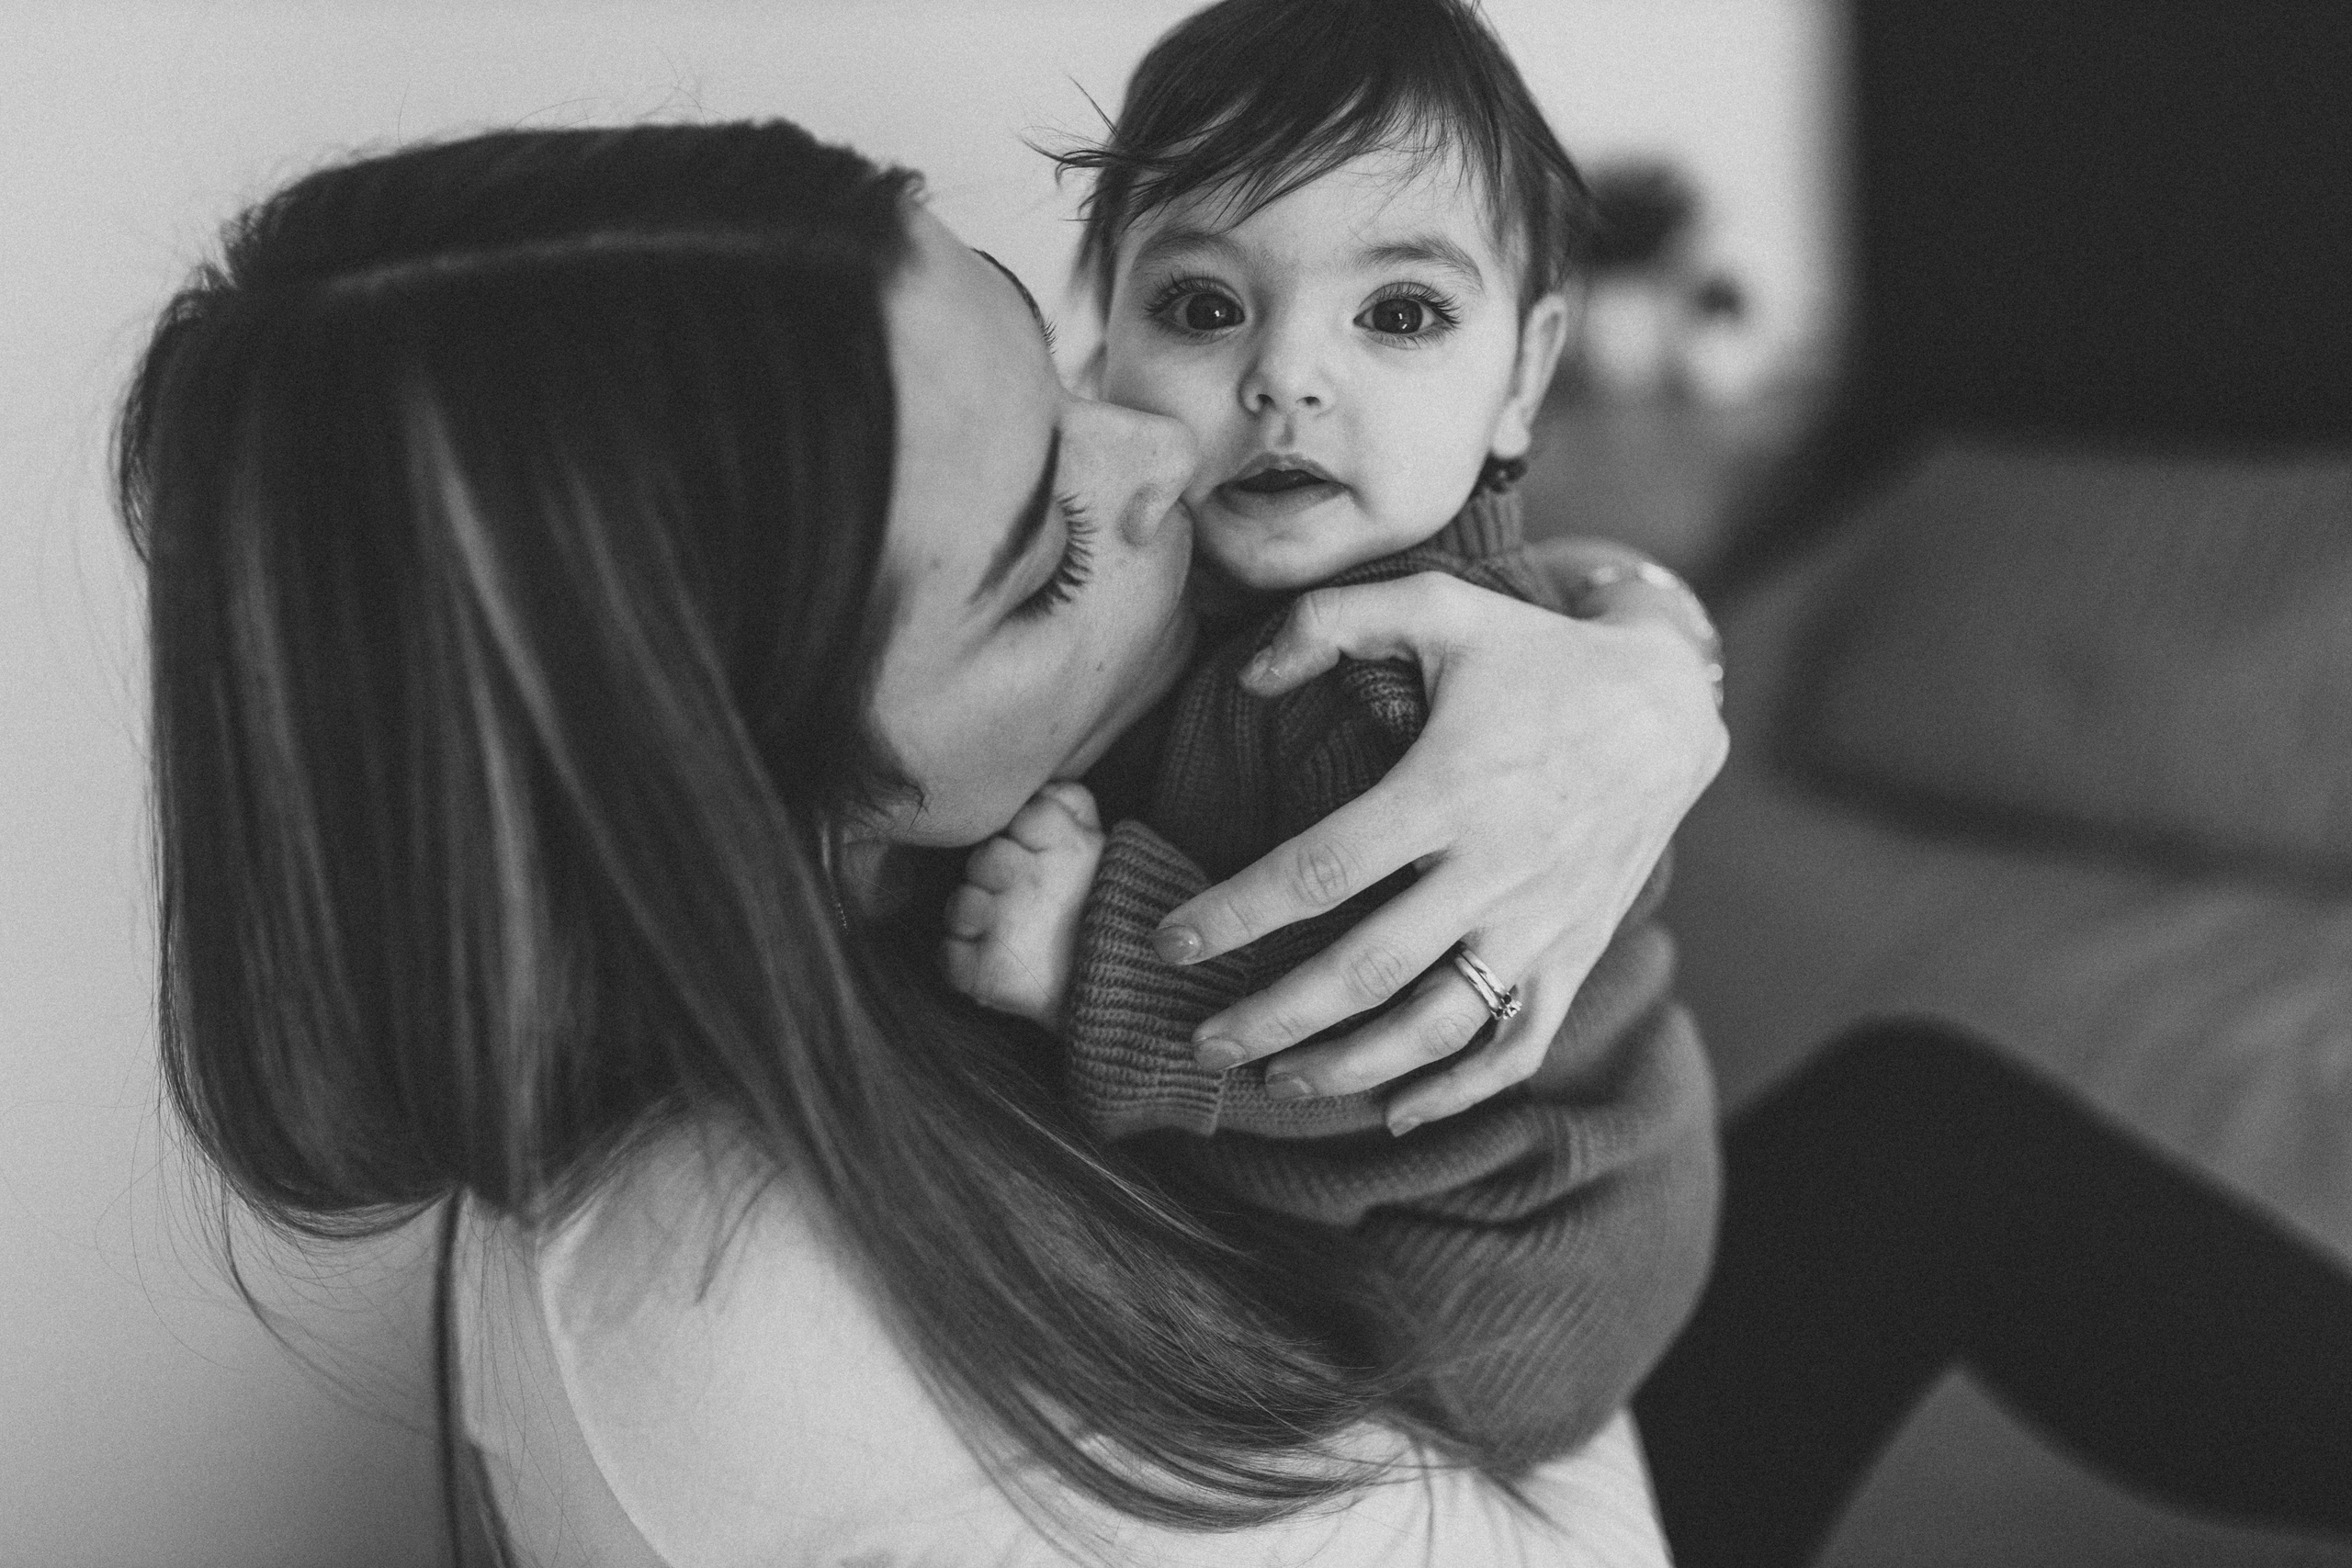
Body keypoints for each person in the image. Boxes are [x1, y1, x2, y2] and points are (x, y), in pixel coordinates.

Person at [119, 113, 2352, 1568]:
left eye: (1057, 354)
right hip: (1546, 1446)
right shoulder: (782, 1368)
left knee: (1916, 1123)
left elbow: (1510, 579)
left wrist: (1640, 676)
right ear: (739, 798)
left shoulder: (837, 896)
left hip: (1494, 1371)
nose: (1160, 464)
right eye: (1033, 554)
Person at [940, 0, 1719, 1470]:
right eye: (1203, 306)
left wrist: (1081, 952)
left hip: (1497, 1267)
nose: (1285, 377)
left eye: (1401, 314)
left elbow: (1369, 1020)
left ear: (1524, 377)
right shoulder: (1200, 579)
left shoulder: (1400, 686)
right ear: (1100, 340)